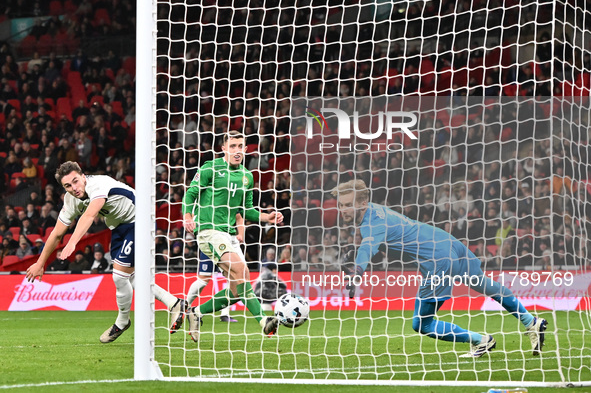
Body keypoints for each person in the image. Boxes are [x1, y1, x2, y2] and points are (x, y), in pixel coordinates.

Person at [332, 180, 548, 358]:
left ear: (362, 203)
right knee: (484, 285)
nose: (342, 210)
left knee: (422, 324)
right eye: (340, 205)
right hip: (448, 243)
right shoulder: (378, 211)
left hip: (437, 262)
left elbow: (369, 244)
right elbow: (385, 241)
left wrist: (357, 271)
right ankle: (531, 321)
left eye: (347, 204)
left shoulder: (371, 223)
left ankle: (481, 340)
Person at [26, 161, 186, 343]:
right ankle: (174, 303)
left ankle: (122, 322)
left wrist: (72, 242)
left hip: (140, 219)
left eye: (76, 181)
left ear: (83, 176)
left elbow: (89, 215)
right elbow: (55, 234)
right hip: (118, 228)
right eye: (68, 186)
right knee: (129, 277)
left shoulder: (99, 184)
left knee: (119, 276)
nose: (74, 188)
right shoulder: (70, 200)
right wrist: (40, 263)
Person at [182, 131, 284, 342]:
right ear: (224, 148)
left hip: (228, 234)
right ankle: (264, 322)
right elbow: (190, 193)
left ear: (246, 150)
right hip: (208, 231)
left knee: (239, 286)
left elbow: (246, 210)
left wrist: (267, 217)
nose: (237, 150)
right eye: (233, 146)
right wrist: (187, 216)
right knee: (239, 269)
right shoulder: (210, 168)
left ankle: (196, 313)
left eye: (240, 146)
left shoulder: (247, 176)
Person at [184, 212, 245, 323]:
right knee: (203, 279)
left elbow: (239, 217)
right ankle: (184, 307)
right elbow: (193, 215)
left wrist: (240, 234)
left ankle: (225, 314)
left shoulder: (229, 199)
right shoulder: (205, 200)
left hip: (226, 242)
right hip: (210, 240)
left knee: (233, 278)